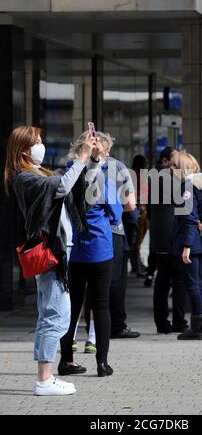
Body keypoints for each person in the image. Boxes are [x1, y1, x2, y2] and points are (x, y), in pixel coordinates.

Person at [4, 125, 96, 396]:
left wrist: (89, 157)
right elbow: (61, 186)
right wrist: (82, 158)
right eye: (38, 142)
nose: (41, 146)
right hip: (50, 253)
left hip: (58, 251)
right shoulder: (24, 178)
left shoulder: (39, 174)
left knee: (53, 314)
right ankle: (44, 380)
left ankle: (45, 377)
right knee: (55, 316)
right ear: (23, 149)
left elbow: (70, 185)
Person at [59, 131, 122, 377]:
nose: (105, 154)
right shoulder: (102, 177)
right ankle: (102, 363)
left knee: (72, 305)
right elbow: (116, 214)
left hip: (74, 249)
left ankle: (66, 360)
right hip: (99, 247)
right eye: (103, 151)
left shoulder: (67, 173)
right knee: (101, 305)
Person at [96, 131, 140, 339]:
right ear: (108, 149)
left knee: (87, 280)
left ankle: (92, 331)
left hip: (84, 232)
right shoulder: (118, 167)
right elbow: (131, 205)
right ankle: (117, 325)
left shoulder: (77, 166)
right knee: (115, 280)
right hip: (113, 230)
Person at [173, 151, 202, 340]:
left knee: (192, 284)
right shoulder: (199, 187)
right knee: (197, 283)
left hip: (191, 243)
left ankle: (198, 328)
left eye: (175, 167)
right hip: (199, 243)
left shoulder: (187, 188)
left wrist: (186, 246)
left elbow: (190, 219)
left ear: (182, 169)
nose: (171, 170)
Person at [149, 146, 188, 333]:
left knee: (162, 281)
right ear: (165, 162)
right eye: (175, 163)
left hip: (160, 237)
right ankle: (179, 321)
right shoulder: (165, 177)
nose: (177, 167)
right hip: (171, 236)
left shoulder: (154, 176)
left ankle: (162, 323)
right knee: (177, 280)